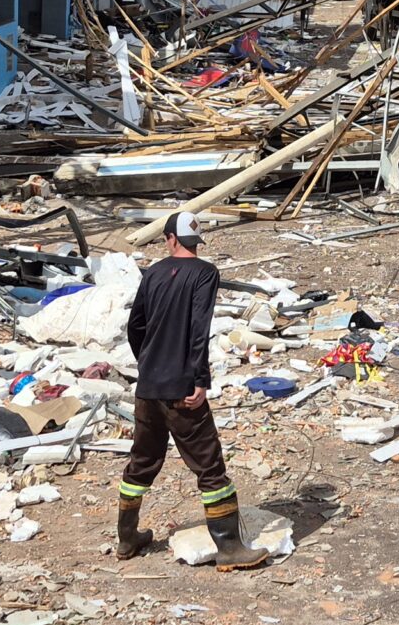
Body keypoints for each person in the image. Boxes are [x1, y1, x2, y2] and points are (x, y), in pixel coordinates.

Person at [119, 211, 269, 570]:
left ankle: (127, 538)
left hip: (148, 388)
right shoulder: (205, 273)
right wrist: (200, 379)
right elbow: (198, 329)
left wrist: (149, 364)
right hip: (182, 388)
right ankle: (229, 548)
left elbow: (135, 326)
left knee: (141, 462)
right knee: (209, 467)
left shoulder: (153, 273)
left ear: (169, 239)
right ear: (192, 241)